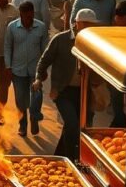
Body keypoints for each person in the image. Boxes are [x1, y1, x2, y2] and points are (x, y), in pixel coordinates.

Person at [35, 8, 99, 160]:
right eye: (87, 25)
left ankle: (59, 156)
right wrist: (39, 78)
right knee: (72, 123)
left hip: (84, 92)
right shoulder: (61, 40)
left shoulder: (95, 42)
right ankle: (73, 160)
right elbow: (45, 60)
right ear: (78, 23)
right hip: (63, 92)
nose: (91, 29)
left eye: (92, 25)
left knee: (82, 126)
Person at [5, 2, 49, 137]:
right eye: (26, 17)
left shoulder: (41, 27)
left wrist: (44, 69)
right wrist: (8, 66)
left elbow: (45, 50)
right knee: (20, 99)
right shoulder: (12, 27)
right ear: (21, 15)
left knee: (37, 96)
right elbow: (7, 47)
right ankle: (22, 125)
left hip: (36, 70)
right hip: (18, 70)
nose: (29, 20)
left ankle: (34, 117)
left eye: (31, 16)